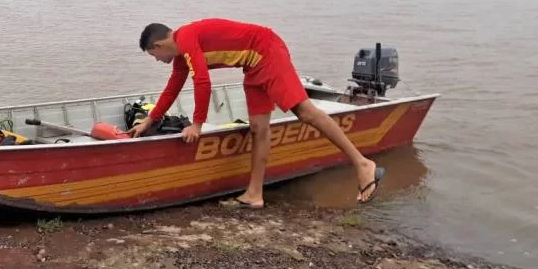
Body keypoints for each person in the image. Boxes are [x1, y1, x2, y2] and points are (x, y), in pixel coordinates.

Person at [129, 18, 385, 207]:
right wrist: (149, 120)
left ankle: (363, 163)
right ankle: (254, 194)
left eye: (154, 55)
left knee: (305, 112)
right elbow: (172, 89)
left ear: (159, 45)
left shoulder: (186, 39)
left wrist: (197, 124)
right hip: (252, 65)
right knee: (258, 129)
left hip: (267, 50)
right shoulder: (181, 58)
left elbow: (203, 82)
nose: (157, 60)